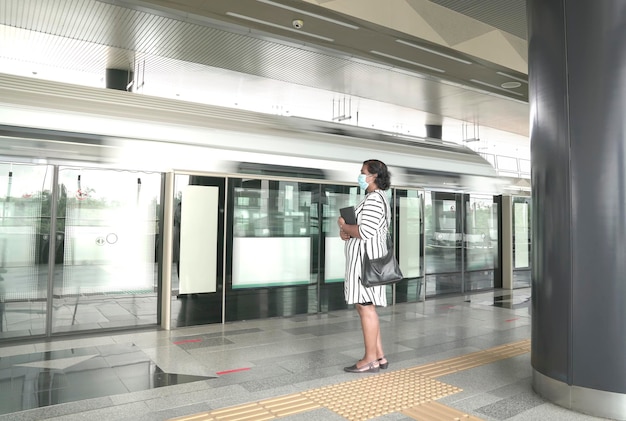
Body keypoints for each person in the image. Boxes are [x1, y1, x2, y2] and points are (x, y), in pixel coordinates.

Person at [337, 159, 391, 373]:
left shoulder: (375, 200)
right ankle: (379, 355)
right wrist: (346, 231)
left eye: (363, 172)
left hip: (366, 263)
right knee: (366, 307)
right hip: (364, 261)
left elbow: (364, 232)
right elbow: (356, 230)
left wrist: (343, 225)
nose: (360, 176)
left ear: (374, 176)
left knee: (365, 307)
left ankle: (369, 360)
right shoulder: (371, 198)